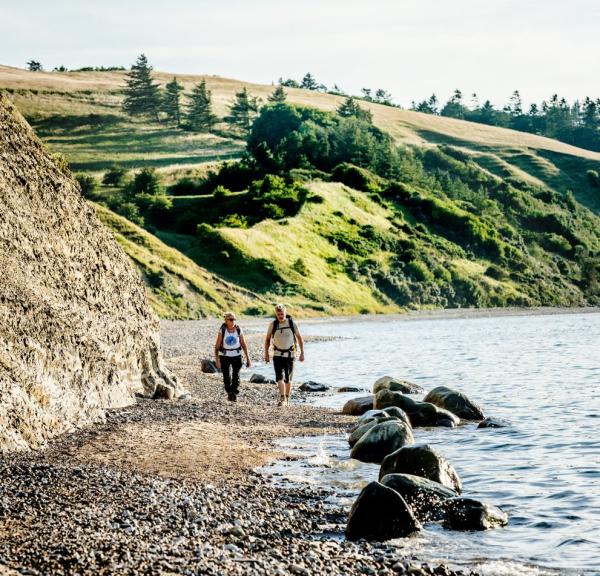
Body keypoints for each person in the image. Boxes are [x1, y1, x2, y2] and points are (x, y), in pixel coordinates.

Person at [264, 303, 304, 407]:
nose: (280, 316)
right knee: (279, 377)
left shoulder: (291, 323)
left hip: (290, 355)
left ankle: (287, 397)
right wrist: (266, 353)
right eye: (278, 314)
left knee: (288, 378)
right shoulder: (273, 325)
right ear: (276, 314)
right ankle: (282, 399)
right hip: (277, 355)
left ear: (285, 313)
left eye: (282, 314)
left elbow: (299, 338)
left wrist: (302, 353)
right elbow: (267, 339)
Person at [214, 312, 251, 402]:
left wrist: (248, 358)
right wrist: (217, 359)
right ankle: (229, 392)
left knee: (236, 375)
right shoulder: (222, 330)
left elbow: (243, 344)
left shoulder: (239, 329)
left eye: (234, 319)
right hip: (225, 356)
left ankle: (234, 393)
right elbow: (217, 346)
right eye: (230, 319)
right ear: (226, 320)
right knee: (226, 376)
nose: (233, 321)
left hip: (237, 355)